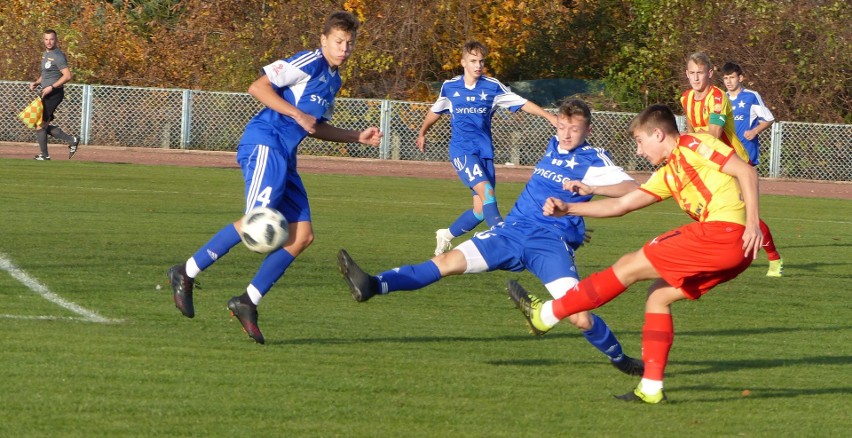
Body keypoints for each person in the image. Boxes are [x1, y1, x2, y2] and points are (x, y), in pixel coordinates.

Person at [340, 99, 644, 375]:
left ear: (587, 130)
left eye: (574, 129)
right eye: (562, 126)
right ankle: (373, 285)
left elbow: (631, 190)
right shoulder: (554, 144)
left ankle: (621, 360)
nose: (565, 134)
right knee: (446, 261)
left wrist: (591, 191)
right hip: (511, 232)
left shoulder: (593, 158)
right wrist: (577, 219)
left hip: (548, 244)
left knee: (579, 316)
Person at [507, 104, 762, 404]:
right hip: (733, 250)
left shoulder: (693, 143)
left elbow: (745, 170)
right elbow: (621, 205)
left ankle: (547, 315)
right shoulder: (668, 174)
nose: (639, 151)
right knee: (658, 297)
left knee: (629, 265)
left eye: (640, 142)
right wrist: (570, 208)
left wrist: (753, 224)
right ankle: (651, 388)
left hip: (725, 235)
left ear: (658, 133)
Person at [166, 11, 382, 344]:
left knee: (302, 236)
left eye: (349, 43)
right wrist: (296, 112)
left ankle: (247, 301)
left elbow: (315, 125)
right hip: (266, 142)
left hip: (286, 155)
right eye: (338, 41)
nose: (344, 48)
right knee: (257, 221)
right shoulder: (308, 61)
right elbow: (259, 87)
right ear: (323, 39)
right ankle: (186, 272)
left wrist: (357, 137)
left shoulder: (334, 79)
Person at [416, 41, 557, 257]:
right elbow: (436, 110)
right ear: (463, 62)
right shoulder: (450, 87)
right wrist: (422, 132)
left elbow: (521, 102)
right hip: (462, 151)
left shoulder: (492, 87)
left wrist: (549, 116)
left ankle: (446, 234)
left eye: (481, 61)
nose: (478, 65)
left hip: (485, 153)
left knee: (481, 210)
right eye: (473, 61)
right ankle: (504, 237)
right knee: (488, 193)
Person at [680, 52, 782, 277]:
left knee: (746, 214)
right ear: (687, 74)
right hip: (708, 161)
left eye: (700, 73)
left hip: (734, 160)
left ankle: (774, 258)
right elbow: (690, 129)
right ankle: (709, 256)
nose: (696, 78)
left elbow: (714, 134)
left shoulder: (717, 97)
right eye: (692, 73)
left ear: (710, 73)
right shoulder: (686, 98)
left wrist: (687, 137)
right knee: (700, 207)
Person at [721, 61, 784, 276]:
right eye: (726, 78)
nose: (729, 81)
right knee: (727, 208)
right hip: (724, 160)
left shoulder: (751, 96)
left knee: (748, 213)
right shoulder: (721, 99)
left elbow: (769, 118)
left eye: (732, 77)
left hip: (745, 159)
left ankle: (774, 259)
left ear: (741, 78)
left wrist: (754, 131)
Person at [29, 29, 80, 161]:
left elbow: (67, 76)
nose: (49, 42)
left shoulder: (58, 56)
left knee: (40, 124)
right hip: (46, 93)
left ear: (56, 40)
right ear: (43, 40)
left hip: (54, 93)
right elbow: (46, 74)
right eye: (46, 39)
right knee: (40, 125)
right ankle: (72, 140)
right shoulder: (45, 54)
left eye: (51, 39)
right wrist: (37, 82)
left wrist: (52, 87)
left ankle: (45, 155)